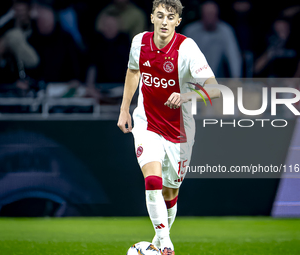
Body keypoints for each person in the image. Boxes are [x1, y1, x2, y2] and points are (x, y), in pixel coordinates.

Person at [117, 0, 220, 254]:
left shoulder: (187, 48)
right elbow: (133, 71)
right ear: (152, 17)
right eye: (160, 15)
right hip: (147, 123)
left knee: (170, 191)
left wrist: (187, 96)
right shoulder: (139, 42)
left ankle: (157, 241)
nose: (164, 21)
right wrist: (124, 109)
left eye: (170, 17)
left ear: (177, 22)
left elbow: (215, 89)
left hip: (180, 131)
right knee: (152, 179)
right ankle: (165, 245)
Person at [182, 1, 242, 78]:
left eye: (212, 14)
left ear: (217, 15)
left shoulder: (226, 31)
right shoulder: (190, 31)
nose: (210, 17)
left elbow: (233, 57)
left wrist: (236, 78)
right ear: (202, 15)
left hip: (217, 79)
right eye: (207, 14)